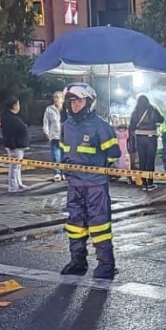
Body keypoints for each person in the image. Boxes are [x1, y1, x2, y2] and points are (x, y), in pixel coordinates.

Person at [59, 83, 121, 279]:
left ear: (89, 102)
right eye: (72, 101)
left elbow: (113, 154)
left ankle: (106, 265)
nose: (75, 105)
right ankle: (78, 261)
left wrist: (98, 169)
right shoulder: (66, 126)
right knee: (75, 224)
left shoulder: (100, 126)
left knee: (99, 225)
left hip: (95, 186)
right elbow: (64, 152)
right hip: (74, 185)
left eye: (79, 100)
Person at [128, 94, 165, 191]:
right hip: (151, 137)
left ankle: (143, 182)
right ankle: (150, 181)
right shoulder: (153, 109)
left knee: (142, 160)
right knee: (150, 160)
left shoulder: (135, 111)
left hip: (140, 138)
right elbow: (161, 120)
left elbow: (131, 125)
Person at [0, 96, 30, 193]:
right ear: (14, 105)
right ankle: (13, 187)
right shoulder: (9, 118)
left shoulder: (12, 117)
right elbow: (9, 133)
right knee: (14, 167)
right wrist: (12, 146)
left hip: (19, 146)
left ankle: (19, 184)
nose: (19, 106)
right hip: (15, 147)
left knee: (17, 167)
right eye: (18, 104)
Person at [43, 91, 65, 182]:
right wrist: (47, 133)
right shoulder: (49, 109)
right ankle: (57, 173)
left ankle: (64, 172)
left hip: (65, 137)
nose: (55, 99)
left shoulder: (66, 110)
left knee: (65, 156)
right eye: (54, 97)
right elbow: (46, 122)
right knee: (56, 156)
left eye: (57, 97)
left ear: (62, 99)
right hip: (54, 136)